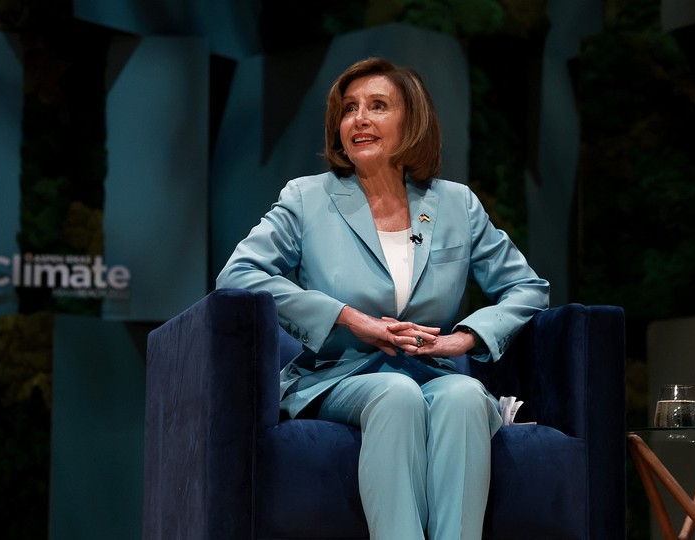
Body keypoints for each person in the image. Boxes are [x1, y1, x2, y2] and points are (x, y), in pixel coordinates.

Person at [216, 57, 549, 540]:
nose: (359, 119)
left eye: (377, 106)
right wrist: (350, 318)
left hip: (431, 371)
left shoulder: (456, 203)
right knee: (396, 395)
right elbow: (239, 273)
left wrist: (464, 339)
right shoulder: (307, 197)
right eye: (349, 109)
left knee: (463, 398)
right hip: (338, 375)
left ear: (411, 122)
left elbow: (527, 288)